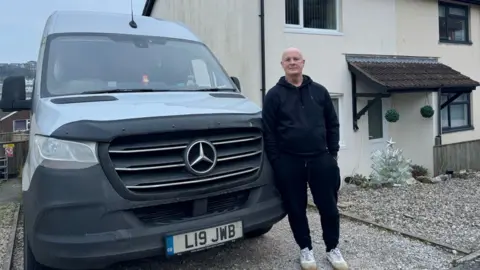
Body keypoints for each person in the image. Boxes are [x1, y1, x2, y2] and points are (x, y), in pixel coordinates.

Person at [262, 47, 348, 270]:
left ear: (303, 62)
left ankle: (332, 249)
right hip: (289, 162)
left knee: (329, 207)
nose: (292, 62)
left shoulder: (319, 92)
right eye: (287, 59)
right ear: (282, 65)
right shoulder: (273, 95)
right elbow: (268, 131)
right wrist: (277, 161)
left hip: (321, 159)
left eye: (296, 59)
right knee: (296, 208)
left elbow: (332, 124)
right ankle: (305, 249)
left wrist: (333, 153)